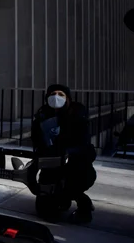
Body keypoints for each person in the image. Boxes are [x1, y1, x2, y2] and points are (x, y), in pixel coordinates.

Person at [31, 84, 96, 223]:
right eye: (53, 93)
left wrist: (67, 153)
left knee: (74, 183)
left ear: (68, 98)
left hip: (74, 164)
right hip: (51, 164)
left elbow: (84, 144)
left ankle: (82, 201)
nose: (56, 97)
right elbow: (36, 141)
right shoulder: (42, 116)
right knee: (45, 211)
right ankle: (60, 200)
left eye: (61, 94)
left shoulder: (77, 115)